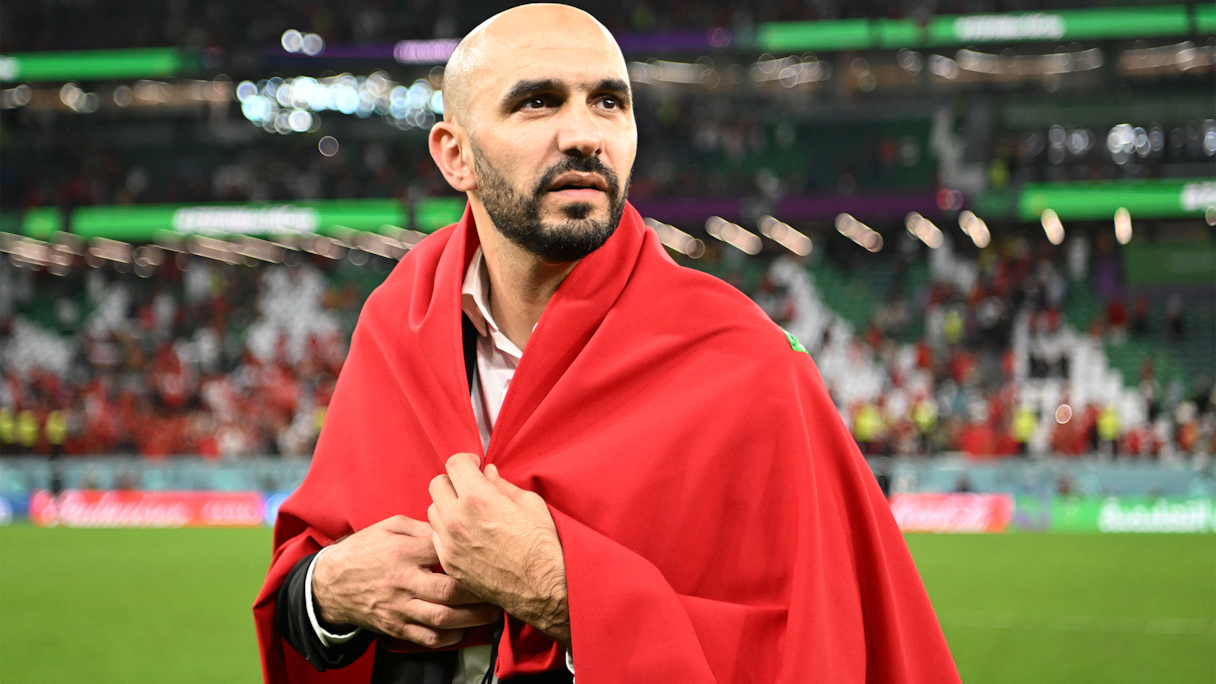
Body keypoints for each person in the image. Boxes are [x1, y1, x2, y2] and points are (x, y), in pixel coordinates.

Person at [254, 5, 960, 684]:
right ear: (455, 155)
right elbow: (303, 579)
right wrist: (330, 592)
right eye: (538, 102)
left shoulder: (749, 366)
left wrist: (568, 597)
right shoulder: (396, 322)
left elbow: (818, 653)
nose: (584, 134)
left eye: (608, 103)